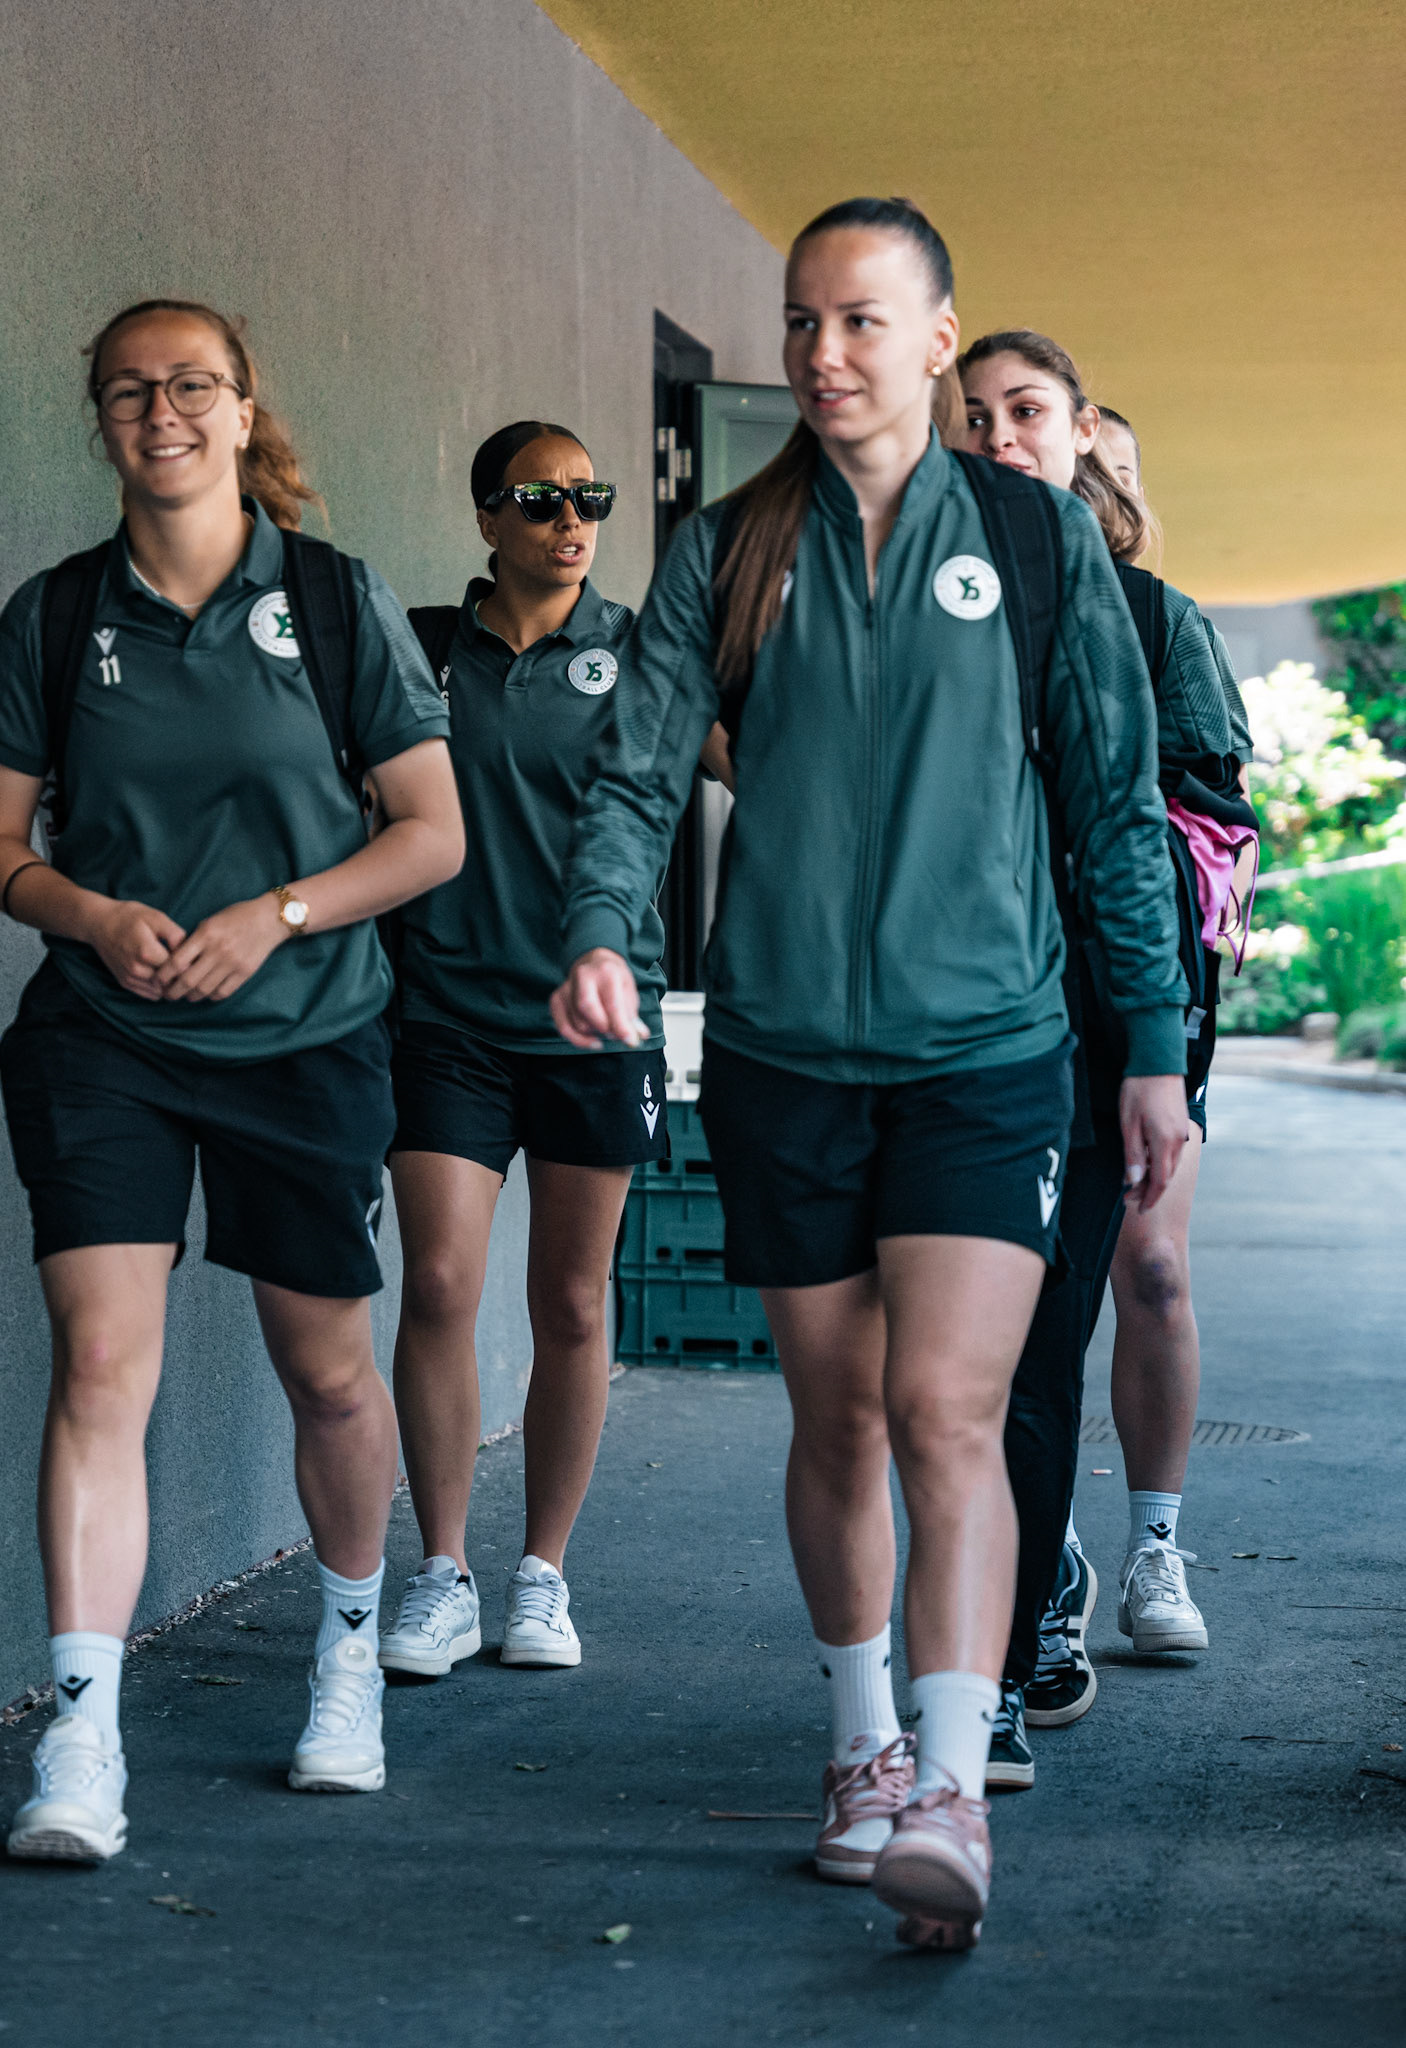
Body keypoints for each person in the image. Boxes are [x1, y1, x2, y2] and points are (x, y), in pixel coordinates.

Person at [551, 200, 1188, 1951]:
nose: (820, 351)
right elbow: (631, 769)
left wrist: (1148, 1050)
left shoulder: (1036, 544)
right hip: (780, 1055)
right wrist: (606, 927)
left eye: (858, 320)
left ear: (933, 336)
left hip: (988, 1052)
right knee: (833, 1411)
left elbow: (1115, 813)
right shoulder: (728, 548)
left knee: (946, 1412)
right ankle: (860, 1747)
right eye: (797, 320)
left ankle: (952, 1788)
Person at [0, 298, 463, 1862]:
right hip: (105, 1036)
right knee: (102, 1368)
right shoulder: (54, 616)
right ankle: (83, 1738)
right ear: (100, 419)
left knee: (327, 1371)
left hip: (304, 1036)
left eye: (191, 386)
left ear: (245, 410)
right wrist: (94, 914)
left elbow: (429, 832)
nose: (158, 411)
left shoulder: (330, 600)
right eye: (127, 390)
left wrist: (277, 914)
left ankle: (346, 1657)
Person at [960, 335, 1254, 1791]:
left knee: (1056, 1334)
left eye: (1026, 413)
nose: (1001, 438)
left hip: (1101, 1031)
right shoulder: (917, 606)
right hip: (939, 1028)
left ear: (1077, 433)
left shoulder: (1149, 616)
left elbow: (1203, 844)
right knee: (941, 1365)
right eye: (977, 417)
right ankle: (1017, 1601)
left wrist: (1163, 1051)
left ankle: (1027, 1641)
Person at [377, 422, 666, 1678]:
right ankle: (440, 1570)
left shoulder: (643, 649)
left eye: (587, 496)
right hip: (443, 1010)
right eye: (540, 498)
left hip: (593, 1014)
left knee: (571, 1297)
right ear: (488, 515)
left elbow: (749, 762)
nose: (570, 517)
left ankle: (542, 1572)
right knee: (440, 1280)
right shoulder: (422, 647)